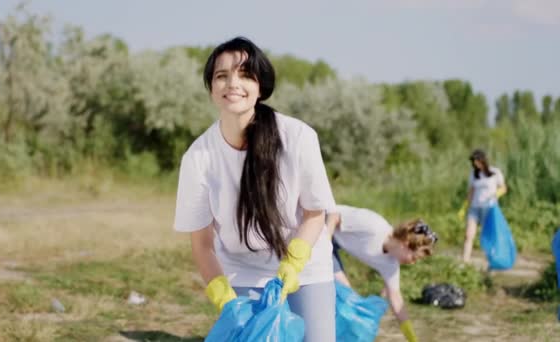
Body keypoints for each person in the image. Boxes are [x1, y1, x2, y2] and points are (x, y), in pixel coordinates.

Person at [173, 37, 336, 341]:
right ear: (211, 89)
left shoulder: (298, 137)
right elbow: (202, 245)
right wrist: (224, 298)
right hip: (241, 269)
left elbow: (315, 213)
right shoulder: (198, 158)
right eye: (222, 76)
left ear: (260, 87)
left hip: (306, 264)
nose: (232, 83)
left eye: (245, 74)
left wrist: (292, 265)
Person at [326, 205, 438, 342]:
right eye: (414, 258)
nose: (413, 263)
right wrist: (325, 243)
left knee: (349, 301)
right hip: (320, 228)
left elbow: (396, 299)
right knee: (349, 298)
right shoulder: (374, 226)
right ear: (405, 243)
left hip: (332, 247)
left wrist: (412, 339)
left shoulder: (390, 264)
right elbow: (334, 215)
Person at [457, 149, 506, 263]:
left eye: (477, 161)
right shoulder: (474, 175)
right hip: (475, 208)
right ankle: (465, 262)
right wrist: (464, 208)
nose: (475, 164)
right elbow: (471, 192)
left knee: (488, 236)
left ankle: (491, 261)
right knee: (468, 235)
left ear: (483, 160)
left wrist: (496, 194)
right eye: (473, 162)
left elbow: (503, 188)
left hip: (489, 208)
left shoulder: (495, 172)